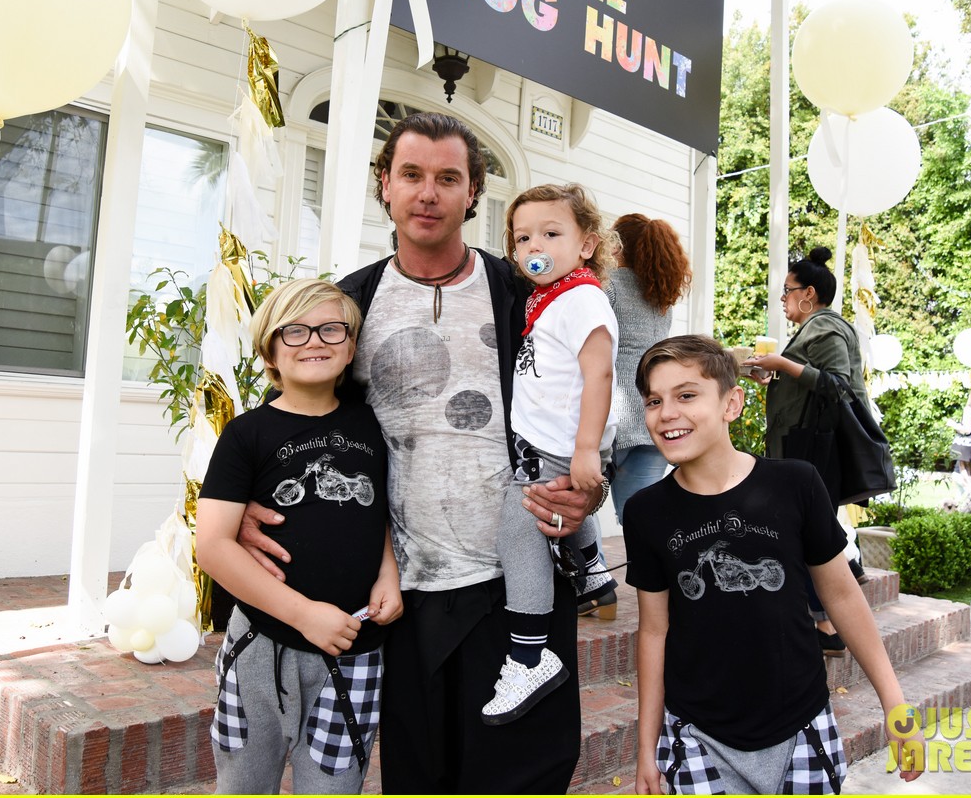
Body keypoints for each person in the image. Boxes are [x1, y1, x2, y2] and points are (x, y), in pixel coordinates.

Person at [239, 112, 594, 793]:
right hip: (402, 591)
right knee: (419, 776)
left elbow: (592, 399)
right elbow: (291, 413)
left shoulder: (528, 295)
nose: (428, 193)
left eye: (448, 178)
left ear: (473, 192)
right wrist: (251, 501)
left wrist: (588, 492)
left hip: (518, 581)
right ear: (385, 185)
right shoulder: (351, 303)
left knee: (523, 775)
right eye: (411, 175)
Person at [625, 335, 923, 794]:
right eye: (653, 401)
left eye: (686, 395)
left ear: (731, 404)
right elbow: (653, 631)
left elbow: (842, 595)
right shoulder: (645, 511)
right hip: (698, 733)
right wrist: (647, 749)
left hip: (801, 726)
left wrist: (895, 704)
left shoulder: (796, 484)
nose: (666, 413)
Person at [196, 278, 402, 795]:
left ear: (351, 346)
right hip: (262, 646)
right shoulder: (245, 434)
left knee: (334, 786)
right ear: (270, 350)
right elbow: (213, 545)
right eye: (295, 331)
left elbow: (376, 511)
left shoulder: (372, 425)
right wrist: (303, 614)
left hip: (355, 648)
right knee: (243, 784)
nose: (314, 341)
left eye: (331, 329)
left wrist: (388, 573)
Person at [480, 183, 620, 725]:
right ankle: (594, 574)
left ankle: (528, 657)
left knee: (518, 532)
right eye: (522, 238)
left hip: (563, 444)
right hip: (550, 441)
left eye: (551, 233)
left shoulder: (582, 299)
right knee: (558, 514)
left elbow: (599, 373)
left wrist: (586, 450)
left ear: (586, 244)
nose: (534, 245)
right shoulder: (553, 298)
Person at [745, 246, 873, 656]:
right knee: (808, 529)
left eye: (787, 290)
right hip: (804, 447)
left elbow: (837, 384)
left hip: (813, 449)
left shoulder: (826, 327)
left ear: (809, 294)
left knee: (804, 531)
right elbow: (811, 383)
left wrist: (782, 365)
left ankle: (828, 621)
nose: (782, 298)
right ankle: (830, 610)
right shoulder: (813, 328)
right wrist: (772, 375)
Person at [605, 213, 692, 525]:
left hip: (612, 418)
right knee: (643, 520)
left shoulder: (608, 286)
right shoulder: (660, 298)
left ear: (616, 246)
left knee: (579, 516)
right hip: (653, 416)